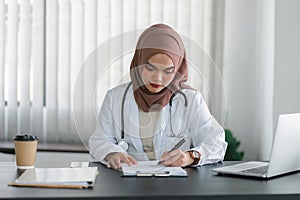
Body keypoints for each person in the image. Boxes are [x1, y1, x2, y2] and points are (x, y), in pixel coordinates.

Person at [89, 23, 227, 170]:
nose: (158, 79)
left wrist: (191, 157)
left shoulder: (190, 100)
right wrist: (111, 154)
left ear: (178, 69)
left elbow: (216, 142)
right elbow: (99, 140)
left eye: (168, 71)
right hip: (126, 183)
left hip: (175, 185)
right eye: (150, 68)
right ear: (139, 62)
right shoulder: (115, 98)